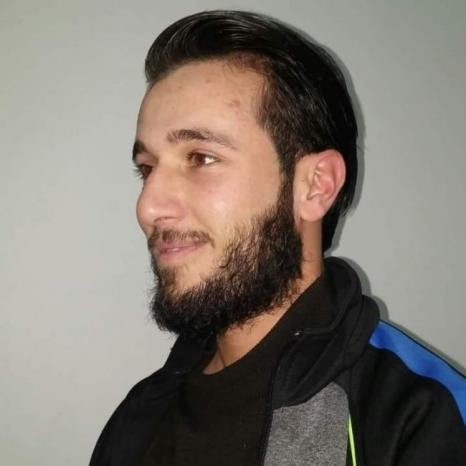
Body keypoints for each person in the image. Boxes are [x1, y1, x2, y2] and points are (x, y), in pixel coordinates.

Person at [90, 10, 466, 466]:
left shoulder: (423, 422)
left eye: (201, 158)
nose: (148, 207)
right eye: (147, 168)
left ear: (316, 186)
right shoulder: (141, 416)